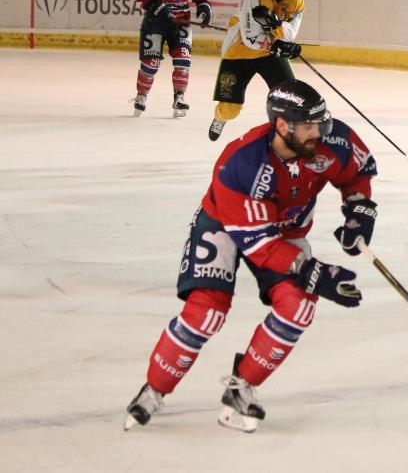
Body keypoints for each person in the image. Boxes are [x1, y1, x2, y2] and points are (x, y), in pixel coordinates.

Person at [124, 80, 380, 433]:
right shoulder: (240, 163)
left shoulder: (330, 140)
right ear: (281, 125)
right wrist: (313, 270)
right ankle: (154, 388)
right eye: (307, 126)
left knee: (299, 305)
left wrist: (359, 211)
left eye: (319, 123)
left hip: (285, 231)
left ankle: (241, 388)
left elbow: (358, 171)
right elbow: (259, 245)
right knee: (207, 312)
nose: (316, 133)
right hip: (227, 225)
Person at [208, 0, 305, 142]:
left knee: (289, 94)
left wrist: (275, 23)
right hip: (238, 52)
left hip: (268, 54)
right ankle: (220, 118)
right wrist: (277, 43)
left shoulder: (297, 2)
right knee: (231, 109)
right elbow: (250, 37)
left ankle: (287, 131)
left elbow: (290, 34)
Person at [131, 0, 210, 118]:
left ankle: (180, 97)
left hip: (181, 21)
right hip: (156, 22)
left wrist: (204, 8)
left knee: (183, 59)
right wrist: (156, 6)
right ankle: (141, 96)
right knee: (151, 63)